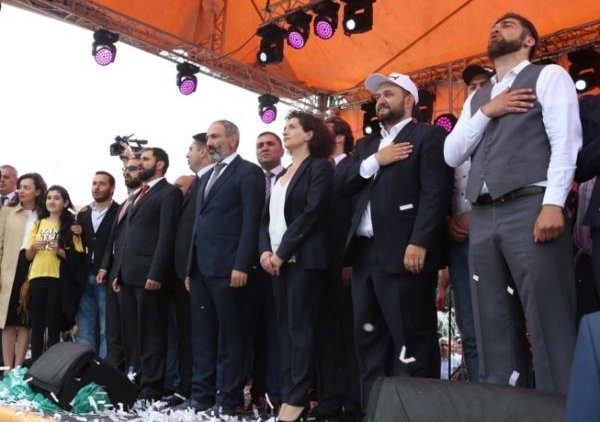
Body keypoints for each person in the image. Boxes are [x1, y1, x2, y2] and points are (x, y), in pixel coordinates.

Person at [444, 13, 581, 393]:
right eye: (493, 24)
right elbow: (452, 153)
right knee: (492, 322)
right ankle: (504, 408)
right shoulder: (478, 97)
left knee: (548, 319)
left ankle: (561, 409)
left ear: (528, 40)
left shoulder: (548, 76)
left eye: (507, 24)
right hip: (483, 214)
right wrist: (487, 110)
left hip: (531, 204)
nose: (495, 27)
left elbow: (566, 141)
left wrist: (553, 203)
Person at [341, 72, 452, 412]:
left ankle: (418, 414)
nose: (381, 100)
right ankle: (375, 413)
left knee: (413, 339)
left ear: (409, 100)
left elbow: (435, 193)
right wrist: (377, 160)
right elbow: (342, 183)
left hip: (406, 252)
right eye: (378, 96)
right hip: (365, 256)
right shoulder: (367, 146)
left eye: (389, 93)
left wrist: (420, 241)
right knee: (369, 341)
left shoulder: (428, 135)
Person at [176, 120, 265, 417]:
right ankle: (202, 396)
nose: (210, 142)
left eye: (215, 136)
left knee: (232, 337)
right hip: (201, 270)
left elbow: (252, 221)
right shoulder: (206, 177)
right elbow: (198, 225)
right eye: (208, 138)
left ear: (233, 139)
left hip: (229, 270)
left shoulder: (248, 172)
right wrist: (189, 267)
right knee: (202, 337)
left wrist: (242, 264)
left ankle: (228, 399)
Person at [260, 111, 334, 422]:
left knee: (301, 329)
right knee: (284, 330)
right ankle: (286, 392)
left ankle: (299, 396)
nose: (286, 131)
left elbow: (312, 213)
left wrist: (283, 251)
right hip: (278, 263)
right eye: (285, 126)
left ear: (309, 134)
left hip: (304, 261)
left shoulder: (320, 168)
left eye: (292, 127)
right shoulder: (283, 173)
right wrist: (265, 251)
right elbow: (266, 218)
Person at [110, 147, 182, 400]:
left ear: (160, 164)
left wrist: (156, 273)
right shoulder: (139, 194)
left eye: (145, 159)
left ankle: (152, 386)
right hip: (128, 276)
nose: (140, 163)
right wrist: (117, 272)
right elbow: (126, 237)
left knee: (151, 334)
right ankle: (136, 380)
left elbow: (166, 235)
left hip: (150, 277)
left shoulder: (169, 193)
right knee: (132, 333)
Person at [312, 115, 360, 420]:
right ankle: (328, 398)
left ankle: (352, 400)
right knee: (325, 334)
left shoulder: (353, 166)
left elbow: (355, 216)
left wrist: (349, 259)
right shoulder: (315, 168)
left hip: (344, 264)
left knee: (349, 334)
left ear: (340, 137)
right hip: (318, 266)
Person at [166, 132, 213, 402]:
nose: (187, 154)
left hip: (200, 272)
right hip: (183, 274)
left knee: (200, 336)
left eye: (191, 149)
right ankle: (186, 387)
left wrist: (190, 269)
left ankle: (200, 389)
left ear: (203, 151)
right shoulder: (197, 184)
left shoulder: (209, 182)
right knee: (185, 335)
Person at [25, 185, 84, 361]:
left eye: (57, 198)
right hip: (37, 277)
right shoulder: (38, 224)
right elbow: (28, 256)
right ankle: (35, 365)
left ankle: (50, 366)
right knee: (37, 325)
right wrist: (34, 247)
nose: (52, 201)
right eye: (49, 197)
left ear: (65, 203)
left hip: (58, 279)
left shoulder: (71, 226)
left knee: (53, 324)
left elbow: (77, 257)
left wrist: (58, 250)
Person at [249, 131, 285, 414]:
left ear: (281, 149)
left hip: (280, 264)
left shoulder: (291, 176)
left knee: (277, 331)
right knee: (254, 332)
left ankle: (278, 393)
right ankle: (257, 392)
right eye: (259, 145)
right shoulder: (250, 179)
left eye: (270, 143)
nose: (264, 148)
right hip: (248, 267)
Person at [98, 155, 143, 373]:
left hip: (135, 273)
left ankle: (131, 375)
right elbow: (113, 240)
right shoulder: (126, 203)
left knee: (130, 330)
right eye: (125, 170)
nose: (127, 173)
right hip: (115, 273)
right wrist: (105, 267)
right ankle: (113, 375)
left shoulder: (147, 199)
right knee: (113, 329)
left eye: (132, 169)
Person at [0, 173, 46, 369]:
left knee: (26, 321)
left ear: (38, 191)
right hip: (9, 269)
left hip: (35, 268)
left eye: (27, 187)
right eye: (20, 187)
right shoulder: (6, 212)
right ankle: (7, 370)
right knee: (8, 321)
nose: (21, 191)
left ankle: (18, 369)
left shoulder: (44, 215)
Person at [73, 171, 119, 359]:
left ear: (112, 188)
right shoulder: (82, 213)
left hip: (107, 277)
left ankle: (104, 370)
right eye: (94, 183)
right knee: (84, 329)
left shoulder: (119, 211)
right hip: (84, 276)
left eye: (102, 183)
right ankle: (84, 369)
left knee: (106, 328)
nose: (97, 187)